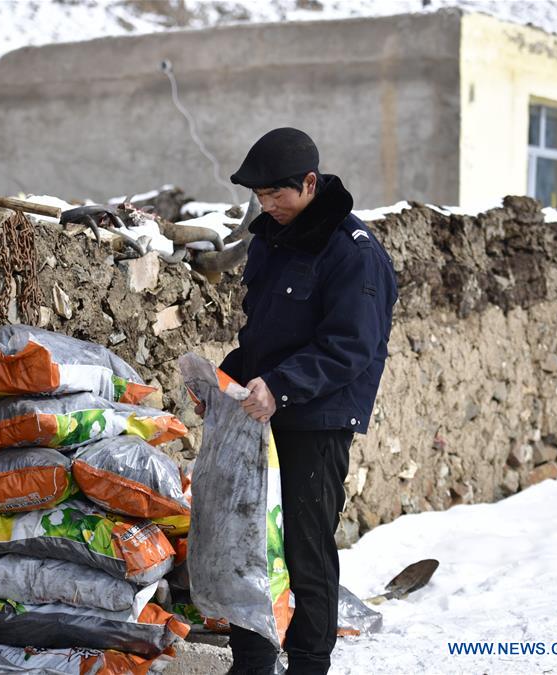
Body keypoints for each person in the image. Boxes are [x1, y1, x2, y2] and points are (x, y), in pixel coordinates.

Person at [206, 128, 397, 675]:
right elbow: (261, 333)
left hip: (318, 420)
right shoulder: (269, 239)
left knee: (305, 550)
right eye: (260, 196)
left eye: (277, 194)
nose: (267, 205)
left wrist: (281, 387)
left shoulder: (354, 253)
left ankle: (309, 664)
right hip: (262, 417)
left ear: (310, 184)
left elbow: (351, 347)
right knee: (251, 545)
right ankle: (252, 661)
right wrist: (225, 382)